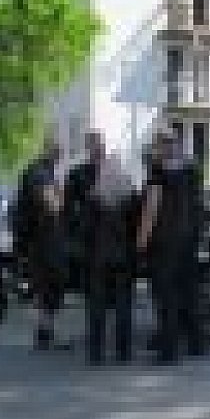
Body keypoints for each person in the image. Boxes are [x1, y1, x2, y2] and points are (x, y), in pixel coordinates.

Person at [65, 132, 136, 365]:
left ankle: (96, 352)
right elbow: (135, 218)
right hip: (122, 253)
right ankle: (122, 352)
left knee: (97, 304)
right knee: (122, 303)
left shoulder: (88, 191)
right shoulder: (126, 187)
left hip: (97, 253)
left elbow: (76, 219)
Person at [138, 128, 205, 364]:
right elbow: (198, 205)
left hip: (165, 242)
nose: (155, 149)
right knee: (189, 292)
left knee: (166, 295)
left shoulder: (158, 173)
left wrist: (142, 241)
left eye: (157, 144)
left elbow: (151, 209)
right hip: (189, 239)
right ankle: (196, 344)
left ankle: (168, 350)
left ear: (163, 146)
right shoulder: (192, 171)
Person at [11, 134, 69, 350]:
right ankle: (44, 334)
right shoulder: (40, 173)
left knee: (47, 287)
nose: (59, 157)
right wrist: (60, 194)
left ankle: (45, 333)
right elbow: (52, 205)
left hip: (38, 240)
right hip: (42, 241)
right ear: (50, 151)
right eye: (58, 152)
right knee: (49, 286)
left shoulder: (39, 171)